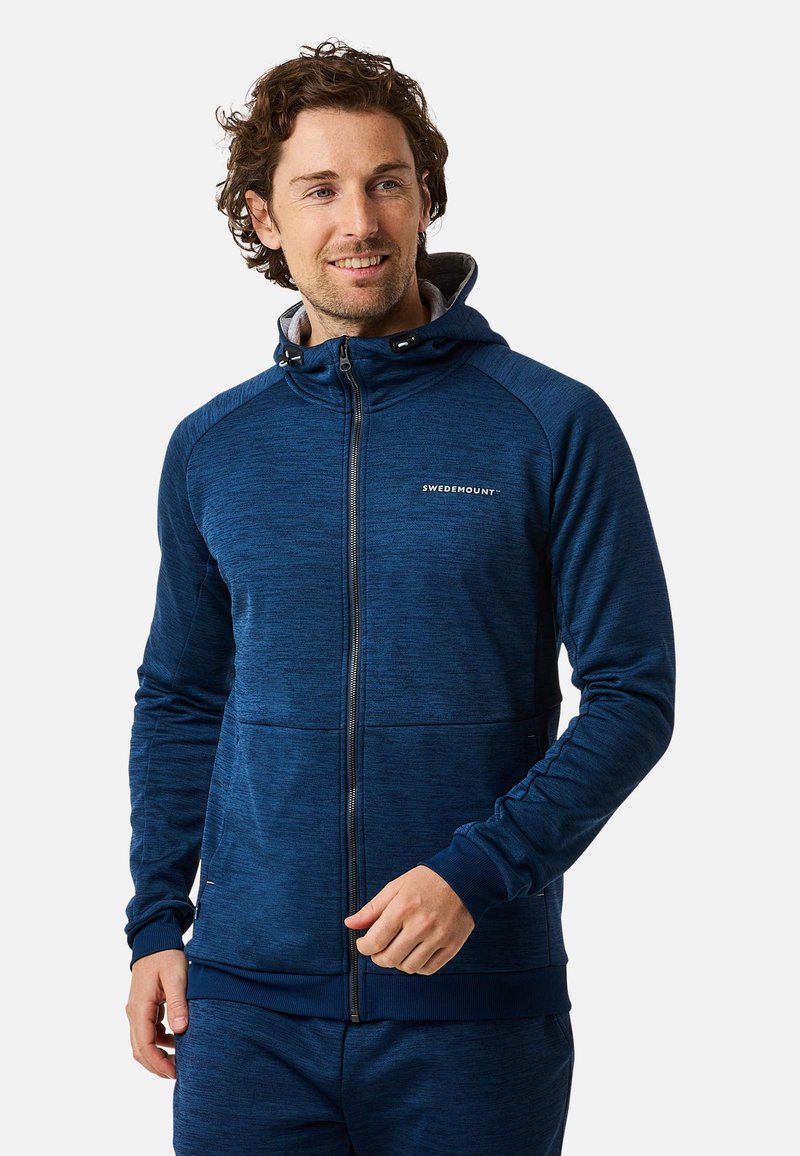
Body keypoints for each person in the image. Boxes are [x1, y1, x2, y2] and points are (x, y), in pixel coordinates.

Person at [124, 38, 675, 1156]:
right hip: (245, 1014)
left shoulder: (547, 424)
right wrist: (155, 924)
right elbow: (181, 697)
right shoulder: (213, 446)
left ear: (426, 197)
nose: (359, 221)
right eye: (318, 189)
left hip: (474, 1007)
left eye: (386, 182)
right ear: (263, 217)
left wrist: (475, 872)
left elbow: (631, 694)